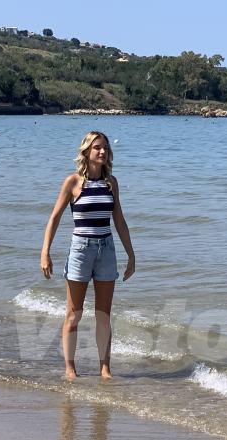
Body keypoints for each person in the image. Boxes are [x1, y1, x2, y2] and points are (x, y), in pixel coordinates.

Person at [40, 131, 136, 380]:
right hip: (80, 250)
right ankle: (70, 368)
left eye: (105, 148)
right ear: (86, 152)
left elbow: (120, 221)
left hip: (107, 250)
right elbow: (54, 218)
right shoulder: (73, 182)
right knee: (74, 314)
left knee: (103, 315)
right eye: (97, 148)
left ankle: (105, 368)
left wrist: (131, 255)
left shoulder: (111, 183)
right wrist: (45, 253)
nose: (102, 152)